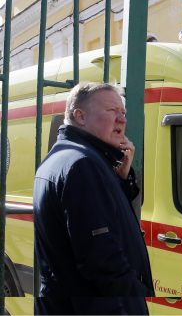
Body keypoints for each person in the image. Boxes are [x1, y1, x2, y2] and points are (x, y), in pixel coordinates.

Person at [34, 82, 154, 314]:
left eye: (123, 112)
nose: (122, 119)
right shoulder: (82, 165)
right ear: (80, 116)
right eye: (112, 111)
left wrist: (119, 178)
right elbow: (102, 260)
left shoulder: (65, 157)